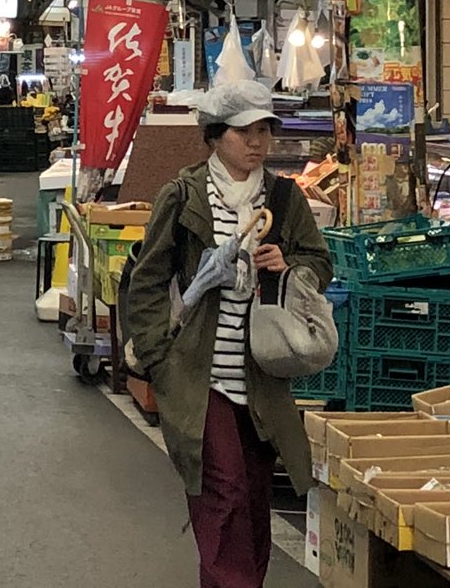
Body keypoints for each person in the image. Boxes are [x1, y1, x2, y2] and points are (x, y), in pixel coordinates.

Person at [118, 78, 332, 588]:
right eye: (243, 131)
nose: (257, 142)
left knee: (253, 497)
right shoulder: (183, 195)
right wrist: (158, 356)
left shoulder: (284, 197)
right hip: (197, 375)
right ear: (215, 135)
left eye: (264, 130)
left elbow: (320, 262)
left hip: (262, 372)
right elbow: (146, 280)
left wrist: (289, 265)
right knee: (224, 490)